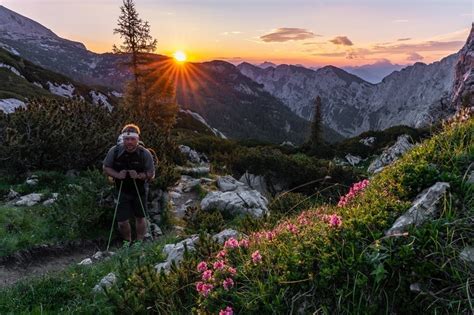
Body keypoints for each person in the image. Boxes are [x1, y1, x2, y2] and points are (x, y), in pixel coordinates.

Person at [103, 124, 155, 243]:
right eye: (127, 139)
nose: (129, 142)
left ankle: (140, 241)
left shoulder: (145, 153)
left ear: (138, 139)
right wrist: (118, 175)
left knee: (140, 217)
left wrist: (138, 176)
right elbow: (106, 167)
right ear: (123, 139)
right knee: (122, 221)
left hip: (139, 189)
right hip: (121, 189)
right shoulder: (115, 151)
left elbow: (151, 173)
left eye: (132, 139)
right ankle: (128, 242)